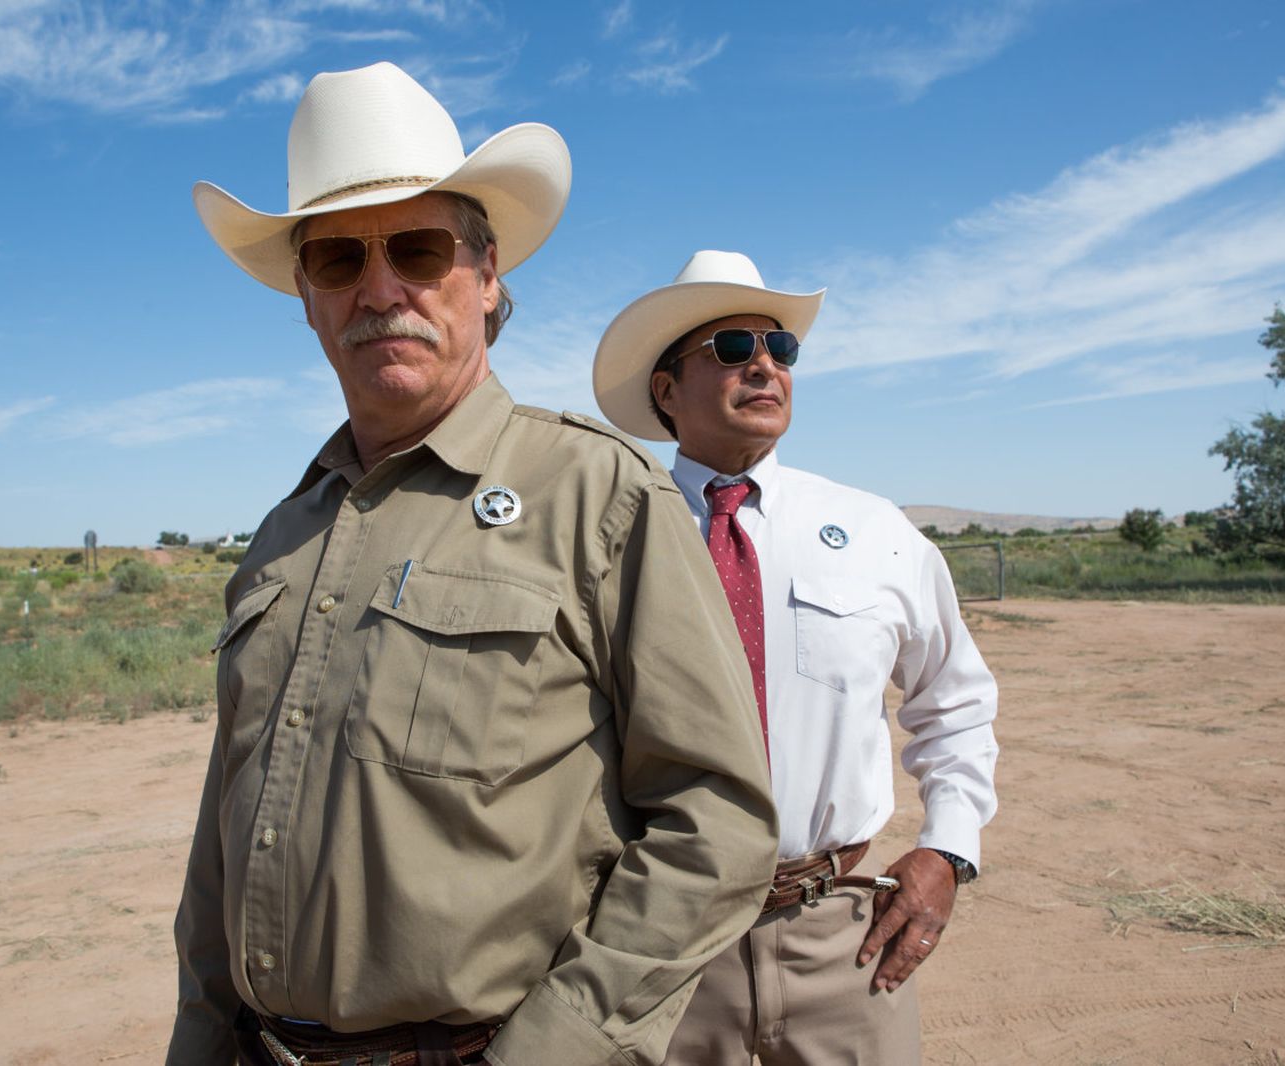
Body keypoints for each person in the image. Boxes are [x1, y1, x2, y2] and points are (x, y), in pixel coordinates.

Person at [168, 66, 778, 1066]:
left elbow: (717, 817)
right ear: (306, 302)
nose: (378, 289)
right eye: (335, 260)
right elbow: (221, 844)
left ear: (488, 276)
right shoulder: (284, 536)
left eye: (417, 248)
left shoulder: (599, 495)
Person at [592, 250, 1000, 1063]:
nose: (767, 366)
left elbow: (953, 702)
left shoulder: (874, 529)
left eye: (782, 349)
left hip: (843, 941)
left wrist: (950, 849)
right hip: (656, 945)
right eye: (734, 349)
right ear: (666, 390)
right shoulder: (607, 532)